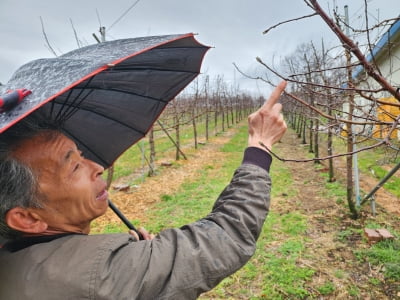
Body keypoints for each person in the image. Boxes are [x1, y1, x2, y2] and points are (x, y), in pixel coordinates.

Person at [0, 81, 287, 299]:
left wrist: (133, 259)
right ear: (26, 219)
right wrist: (259, 145)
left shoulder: (17, 260)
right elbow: (224, 238)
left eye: (80, 154)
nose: (97, 166)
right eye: (73, 167)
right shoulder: (95, 276)